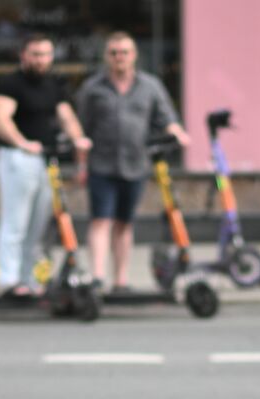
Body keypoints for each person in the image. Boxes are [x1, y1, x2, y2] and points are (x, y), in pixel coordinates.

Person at [75, 31, 189, 291]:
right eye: (114, 53)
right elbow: (81, 130)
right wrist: (81, 165)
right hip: (101, 165)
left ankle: (121, 279)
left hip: (135, 165)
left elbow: (166, 117)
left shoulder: (150, 86)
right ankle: (98, 276)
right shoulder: (92, 89)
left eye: (124, 52)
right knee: (100, 220)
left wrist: (177, 132)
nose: (119, 57)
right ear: (107, 57)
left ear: (134, 55)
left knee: (124, 224)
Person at [0, 34, 90, 298]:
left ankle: (28, 279)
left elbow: (67, 116)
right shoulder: (11, 84)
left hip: (45, 161)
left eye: (45, 54)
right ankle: (9, 280)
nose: (40, 60)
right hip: (17, 159)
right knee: (16, 221)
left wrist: (79, 140)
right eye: (35, 54)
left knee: (38, 224)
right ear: (24, 55)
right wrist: (22, 143)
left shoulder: (53, 84)